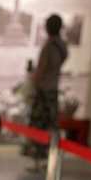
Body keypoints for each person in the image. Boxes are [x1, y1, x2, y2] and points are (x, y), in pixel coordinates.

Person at [23, 14, 67, 172]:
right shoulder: (62, 47)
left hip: (42, 92)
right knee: (51, 125)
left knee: (37, 126)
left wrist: (31, 75)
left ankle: (35, 160)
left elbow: (40, 72)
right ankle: (49, 159)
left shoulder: (48, 48)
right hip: (53, 91)